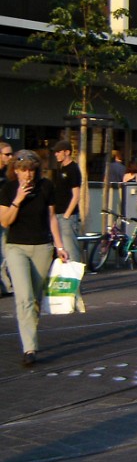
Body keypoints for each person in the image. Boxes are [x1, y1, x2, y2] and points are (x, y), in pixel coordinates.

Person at [0, 150, 70, 366]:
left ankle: (30, 332)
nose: (27, 175)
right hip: (15, 247)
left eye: (30, 170)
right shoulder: (8, 189)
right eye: (22, 170)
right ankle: (29, 348)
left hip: (41, 247)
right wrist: (18, 200)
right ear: (15, 170)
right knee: (24, 297)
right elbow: (4, 221)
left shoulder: (46, 187)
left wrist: (60, 246)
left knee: (36, 299)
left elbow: (51, 218)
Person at [52, 140, 83, 264]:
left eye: (59, 152)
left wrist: (66, 215)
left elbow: (76, 195)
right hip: (57, 214)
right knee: (60, 250)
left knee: (70, 250)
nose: (56, 154)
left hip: (67, 217)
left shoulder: (73, 169)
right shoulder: (60, 169)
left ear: (67, 152)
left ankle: (75, 279)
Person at [0, 142, 13, 296]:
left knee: (4, 252)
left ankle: (5, 285)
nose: (10, 157)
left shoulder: (7, 174)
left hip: (5, 217)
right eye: (7, 154)